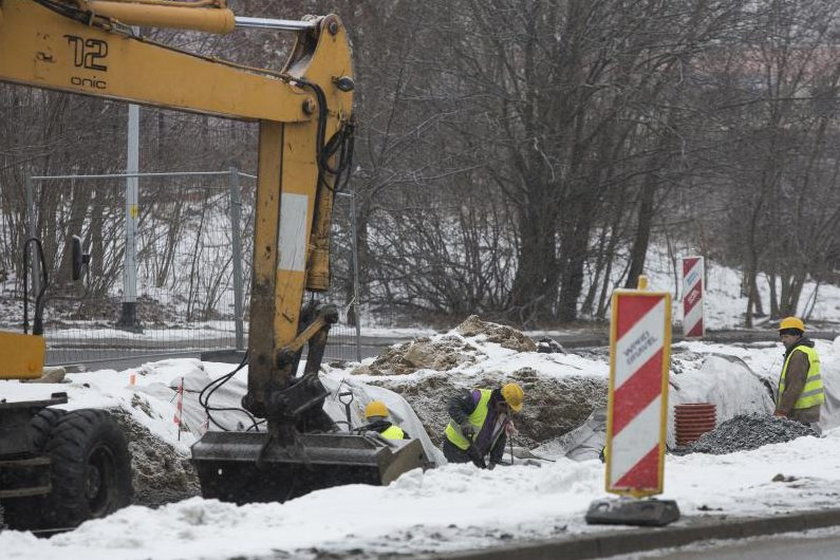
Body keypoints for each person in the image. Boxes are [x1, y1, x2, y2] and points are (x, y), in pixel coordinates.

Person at [442, 382, 524, 469]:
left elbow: (499, 440)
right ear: (501, 401)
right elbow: (453, 403)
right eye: (509, 407)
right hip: (455, 448)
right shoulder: (478, 397)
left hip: (476, 454)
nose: (510, 411)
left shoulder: (503, 415)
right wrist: (464, 422)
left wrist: (494, 462)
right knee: (465, 479)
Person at [774, 316, 824, 425]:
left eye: (786, 337)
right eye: (782, 337)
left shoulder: (799, 354)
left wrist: (782, 411)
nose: (783, 340)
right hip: (808, 409)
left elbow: (794, 385)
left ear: (797, 335)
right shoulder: (807, 350)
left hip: (800, 411)